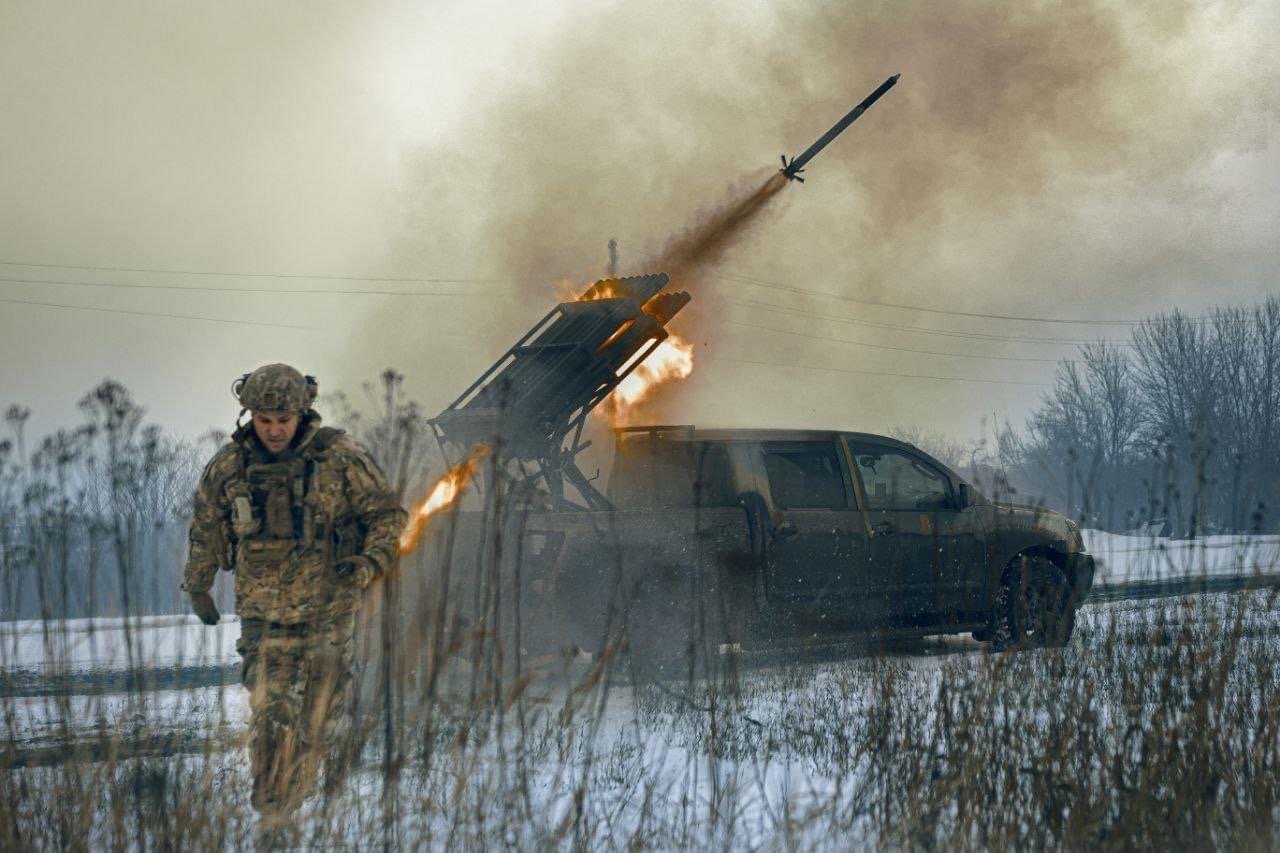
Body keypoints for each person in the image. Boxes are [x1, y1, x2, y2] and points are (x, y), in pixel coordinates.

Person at [182, 363, 406, 821]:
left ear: (302, 413)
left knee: (319, 718)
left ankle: (298, 791)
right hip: (263, 614)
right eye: (264, 421)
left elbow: (387, 516)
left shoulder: (341, 457)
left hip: (329, 610)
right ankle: (274, 811)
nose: (274, 430)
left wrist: (368, 564)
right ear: (250, 416)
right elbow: (206, 526)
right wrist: (198, 585)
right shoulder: (230, 466)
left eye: (283, 420)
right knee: (271, 711)